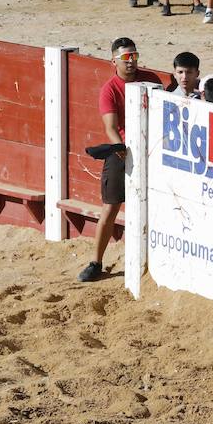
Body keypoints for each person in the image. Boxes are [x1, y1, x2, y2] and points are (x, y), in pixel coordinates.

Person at [78, 38, 159, 283]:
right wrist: (120, 147)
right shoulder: (109, 89)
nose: (131, 61)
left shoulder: (151, 80)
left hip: (151, 150)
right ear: (114, 60)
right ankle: (96, 262)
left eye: (134, 55)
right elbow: (110, 127)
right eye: (126, 57)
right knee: (111, 207)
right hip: (122, 152)